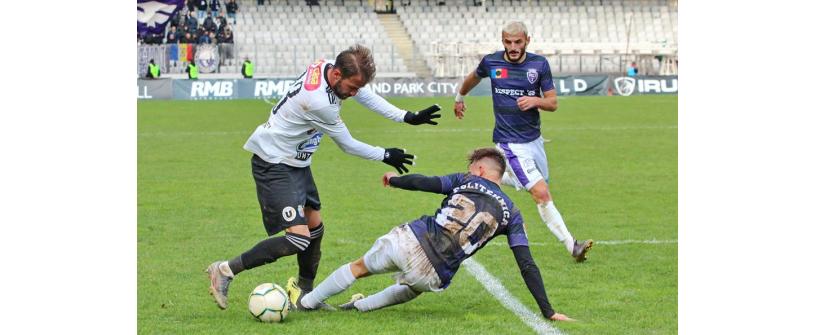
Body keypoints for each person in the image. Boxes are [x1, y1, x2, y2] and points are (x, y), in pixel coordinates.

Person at [205, 44, 443, 310]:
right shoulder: (318, 101)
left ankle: (305, 294)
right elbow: (347, 144)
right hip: (273, 162)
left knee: (315, 228)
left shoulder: (330, 66)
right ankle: (225, 270)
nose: (353, 94)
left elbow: (365, 95)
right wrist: (385, 154)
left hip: (296, 161)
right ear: (338, 75)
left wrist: (406, 117)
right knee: (298, 237)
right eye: (351, 87)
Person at [286, 148, 574, 321]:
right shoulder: (513, 212)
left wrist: (395, 180)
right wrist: (547, 310)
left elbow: (427, 183)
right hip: (436, 274)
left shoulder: (466, 179)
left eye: (471, 166)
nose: (468, 170)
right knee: (412, 288)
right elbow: (527, 264)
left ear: (481, 170)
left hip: (411, 242)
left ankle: (307, 302)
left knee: (360, 268)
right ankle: (358, 307)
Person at [453, 22, 592, 262]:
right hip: (509, 143)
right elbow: (472, 78)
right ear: (502, 40)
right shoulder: (492, 62)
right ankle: (572, 246)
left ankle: (482, 176)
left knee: (538, 183)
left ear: (528, 40)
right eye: (508, 42)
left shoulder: (539, 65)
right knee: (541, 193)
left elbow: (553, 103)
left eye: (518, 42)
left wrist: (535, 101)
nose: (513, 47)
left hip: (534, 141)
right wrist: (459, 97)